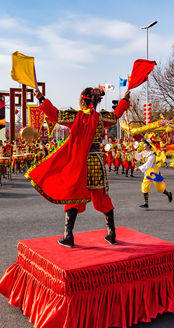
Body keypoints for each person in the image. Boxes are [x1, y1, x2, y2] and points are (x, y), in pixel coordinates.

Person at [28, 87, 130, 248]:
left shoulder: (75, 116)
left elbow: (55, 114)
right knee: (102, 196)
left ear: (82, 101)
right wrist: (124, 100)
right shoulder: (102, 117)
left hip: (80, 161)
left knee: (73, 194)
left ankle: (68, 235)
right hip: (96, 161)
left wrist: (41, 98)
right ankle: (111, 233)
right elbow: (116, 115)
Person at [137, 141, 173, 208]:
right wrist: (133, 152)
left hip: (154, 172)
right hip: (147, 172)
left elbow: (148, 164)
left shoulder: (152, 154)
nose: (144, 147)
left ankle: (168, 194)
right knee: (145, 186)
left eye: (145, 146)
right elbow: (138, 156)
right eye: (143, 146)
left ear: (149, 146)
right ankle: (146, 203)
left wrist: (139, 168)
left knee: (159, 189)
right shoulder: (143, 153)